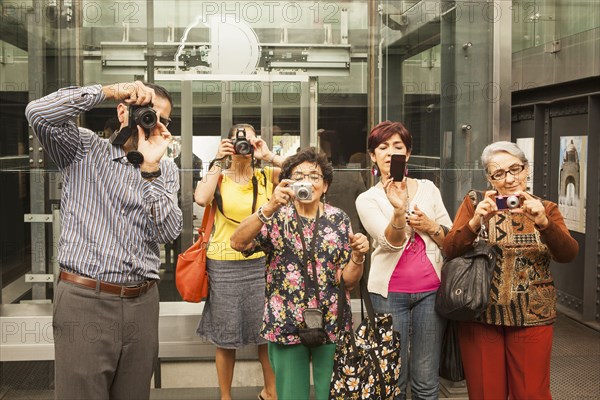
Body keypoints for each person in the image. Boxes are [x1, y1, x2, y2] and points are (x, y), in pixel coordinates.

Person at [25, 81, 183, 400]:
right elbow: (38, 113)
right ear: (124, 110)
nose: (152, 122)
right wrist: (112, 90)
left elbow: (168, 232)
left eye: (161, 119)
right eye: (146, 112)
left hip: (142, 301)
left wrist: (149, 169)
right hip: (86, 299)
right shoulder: (83, 148)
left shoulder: (164, 169)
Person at [443, 141, 579, 400]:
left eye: (515, 169)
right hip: (481, 314)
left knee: (532, 393)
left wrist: (544, 223)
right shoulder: (474, 204)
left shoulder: (546, 208)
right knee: (486, 393)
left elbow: (568, 253)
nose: (509, 179)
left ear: (527, 170)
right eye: (498, 173)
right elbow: (450, 249)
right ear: (489, 178)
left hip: (533, 316)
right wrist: (474, 222)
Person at [230, 148, 369, 400]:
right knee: (291, 395)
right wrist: (269, 206)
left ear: (325, 186)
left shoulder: (339, 219)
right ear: (288, 184)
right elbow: (237, 243)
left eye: (314, 176)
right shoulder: (275, 216)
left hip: (332, 322)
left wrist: (357, 257)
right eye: (299, 176)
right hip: (285, 322)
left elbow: (348, 281)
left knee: (334, 394)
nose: (306, 181)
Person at [355, 121, 452, 400]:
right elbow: (390, 242)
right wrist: (398, 212)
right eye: (382, 147)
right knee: (392, 379)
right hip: (388, 295)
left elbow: (451, 239)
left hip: (432, 293)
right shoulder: (367, 198)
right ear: (373, 156)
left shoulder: (428, 189)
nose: (390, 153)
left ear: (408, 154)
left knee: (425, 379)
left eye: (398, 147)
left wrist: (429, 225)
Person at [194, 123, 285, 400]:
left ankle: (271, 392)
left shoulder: (268, 175)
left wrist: (268, 155)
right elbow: (200, 198)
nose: (243, 147)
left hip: (260, 263)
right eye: (237, 141)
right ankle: (225, 396)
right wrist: (217, 161)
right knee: (225, 337)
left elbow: (306, 168)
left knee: (264, 335)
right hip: (223, 263)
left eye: (248, 140)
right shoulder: (219, 176)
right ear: (229, 145)